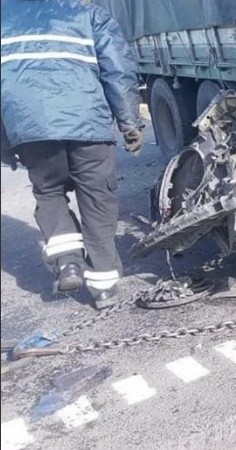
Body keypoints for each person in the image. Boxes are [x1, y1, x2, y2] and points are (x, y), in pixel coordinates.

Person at [1, 0, 144, 309]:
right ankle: (103, 286)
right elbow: (117, 71)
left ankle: (67, 263)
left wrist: (5, 143)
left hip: (30, 127)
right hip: (88, 124)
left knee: (49, 192)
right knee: (97, 197)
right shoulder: (88, 15)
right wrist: (129, 122)